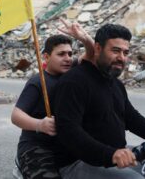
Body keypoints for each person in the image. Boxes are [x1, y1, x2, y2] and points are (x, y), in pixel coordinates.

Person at [53, 24, 145, 179]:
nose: (121, 58)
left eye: (125, 52)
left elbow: (130, 117)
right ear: (98, 48)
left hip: (114, 154)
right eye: (115, 51)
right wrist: (111, 154)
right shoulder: (74, 82)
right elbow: (69, 131)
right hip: (77, 162)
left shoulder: (114, 82)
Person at [11, 19, 94, 179]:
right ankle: (21, 168)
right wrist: (39, 125)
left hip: (65, 145)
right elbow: (16, 116)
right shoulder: (38, 82)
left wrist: (84, 38)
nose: (68, 58)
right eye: (61, 54)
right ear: (46, 57)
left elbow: (91, 55)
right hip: (36, 149)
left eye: (70, 54)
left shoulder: (71, 71)